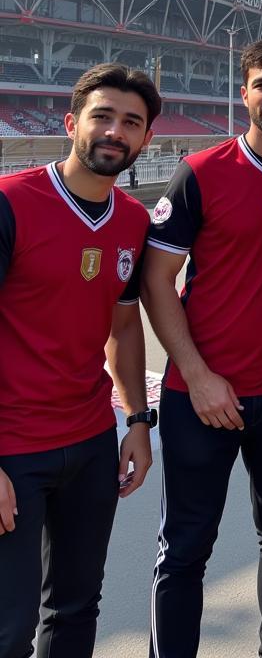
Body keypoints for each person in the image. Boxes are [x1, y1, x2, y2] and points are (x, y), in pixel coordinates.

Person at [143, 39, 262, 658]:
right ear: (244, 93)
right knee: (185, 548)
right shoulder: (200, 172)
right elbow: (156, 280)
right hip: (200, 396)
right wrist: (196, 374)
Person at [0, 63, 160, 657]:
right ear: (72, 123)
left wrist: (137, 422)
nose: (114, 131)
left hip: (90, 440)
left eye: (131, 122)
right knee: (8, 625)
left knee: (74, 609)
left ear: (145, 139)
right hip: (13, 446)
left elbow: (123, 323)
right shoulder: (11, 203)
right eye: (102, 116)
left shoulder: (134, 220)